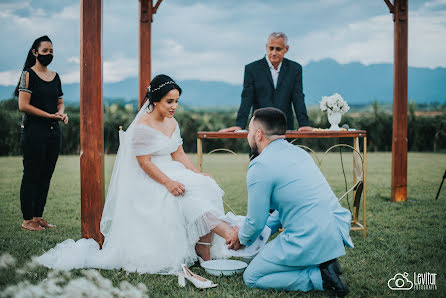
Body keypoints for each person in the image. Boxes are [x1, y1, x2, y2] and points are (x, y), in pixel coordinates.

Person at [37, 75, 237, 276]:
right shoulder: (143, 126)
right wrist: (168, 183)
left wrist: (197, 173)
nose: (174, 106)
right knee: (184, 195)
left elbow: (178, 153)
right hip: (150, 176)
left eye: (176, 101)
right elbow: (144, 163)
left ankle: (203, 244)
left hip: (173, 169)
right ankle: (227, 232)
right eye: (169, 101)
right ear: (155, 100)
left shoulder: (172, 122)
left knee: (206, 185)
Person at [226, 108, 353, 296]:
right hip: (335, 230)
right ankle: (324, 262)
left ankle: (320, 277)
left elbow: (255, 222)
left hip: (308, 237)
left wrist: (241, 238)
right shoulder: (300, 153)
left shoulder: (260, 165)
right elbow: (283, 208)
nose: (248, 135)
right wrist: (256, 232)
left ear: (259, 135)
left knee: (252, 277)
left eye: (250, 130)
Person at [15, 35, 69, 231]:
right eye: (45, 51)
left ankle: (38, 217)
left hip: (54, 133)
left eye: (51, 51)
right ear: (35, 53)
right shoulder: (27, 75)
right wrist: (49, 115)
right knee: (31, 174)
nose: (49, 54)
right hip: (34, 132)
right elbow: (23, 105)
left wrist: (60, 115)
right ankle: (27, 219)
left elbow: (60, 103)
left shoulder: (56, 77)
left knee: (46, 175)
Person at [221, 32, 312, 133]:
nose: (274, 52)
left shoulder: (295, 69)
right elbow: (247, 98)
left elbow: (298, 97)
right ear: (266, 47)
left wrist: (304, 124)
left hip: (285, 128)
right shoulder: (252, 69)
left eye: (278, 49)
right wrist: (239, 125)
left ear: (286, 49)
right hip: (259, 129)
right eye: (271, 48)